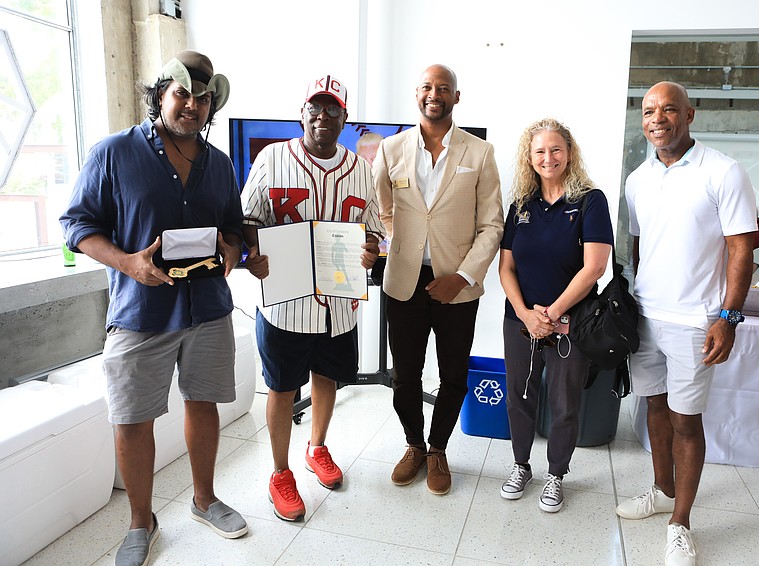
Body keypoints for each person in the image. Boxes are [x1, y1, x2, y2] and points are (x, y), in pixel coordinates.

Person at [60, 50, 248, 566]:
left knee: (204, 403)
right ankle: (141, 522)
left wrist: (233, 249)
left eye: (203, 98)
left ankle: (204, 500)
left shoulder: (219, 164)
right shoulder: (114, 153)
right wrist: (128, 263)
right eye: (182, 93)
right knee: (132, 420)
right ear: (160, 94)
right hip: (140, 311)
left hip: (208, 308)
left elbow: (234, 228)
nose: (192, 105)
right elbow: (77, 226)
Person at [620, 81, 757, 566]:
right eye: (648, 111)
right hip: (646, 315)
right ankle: (662, 491)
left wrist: (728, 317)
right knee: (654, 407)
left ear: (690, 114)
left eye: (669, 109)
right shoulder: (638, 179)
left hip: (696, 320)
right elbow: (640, 245)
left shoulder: (723, 171)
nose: (657, 119)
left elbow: (741, 248)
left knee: (685, 420)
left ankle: (680, 523)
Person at [240, 75, 383, 522]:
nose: (323, 115)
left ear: (344, 117)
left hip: (338, 304)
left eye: (332, 108)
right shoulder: (272, 158)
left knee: (327, 379)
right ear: (302, 114)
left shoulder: (360, 169)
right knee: (282, 387)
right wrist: (253, 253)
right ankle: (280, 473)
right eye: (314, 107)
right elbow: (248, 218)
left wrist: (370, 250)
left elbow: (373, 228)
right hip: (285, 303)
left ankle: (316, 447)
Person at [373, 64, 504, 495]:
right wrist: (398, 240)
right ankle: (414, 445)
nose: (435, 94)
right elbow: (381, 208)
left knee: (453, 376)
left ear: (456, 97)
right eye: (427, 87)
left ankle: (438, 449)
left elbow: (492, 225)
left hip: (456, 285)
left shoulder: (479, 152)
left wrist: (462, 277)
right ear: (417, 94)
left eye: (443, 88)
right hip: (403, 282)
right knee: (404, 376)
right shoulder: (391, 149)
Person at [498, 118, 612, 513]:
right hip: (521, 321)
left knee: (565, 403)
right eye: (540, 151)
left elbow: (595, 267)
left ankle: (557, 474)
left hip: (570, 323)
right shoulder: (520, 205)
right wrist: (525, 314)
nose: (548, 158)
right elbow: (506, 267)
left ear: (569, 152)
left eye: (556, 149)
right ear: (529, 158)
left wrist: (552, 314)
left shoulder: (590, 201)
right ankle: (521, 465)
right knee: (519, 396)